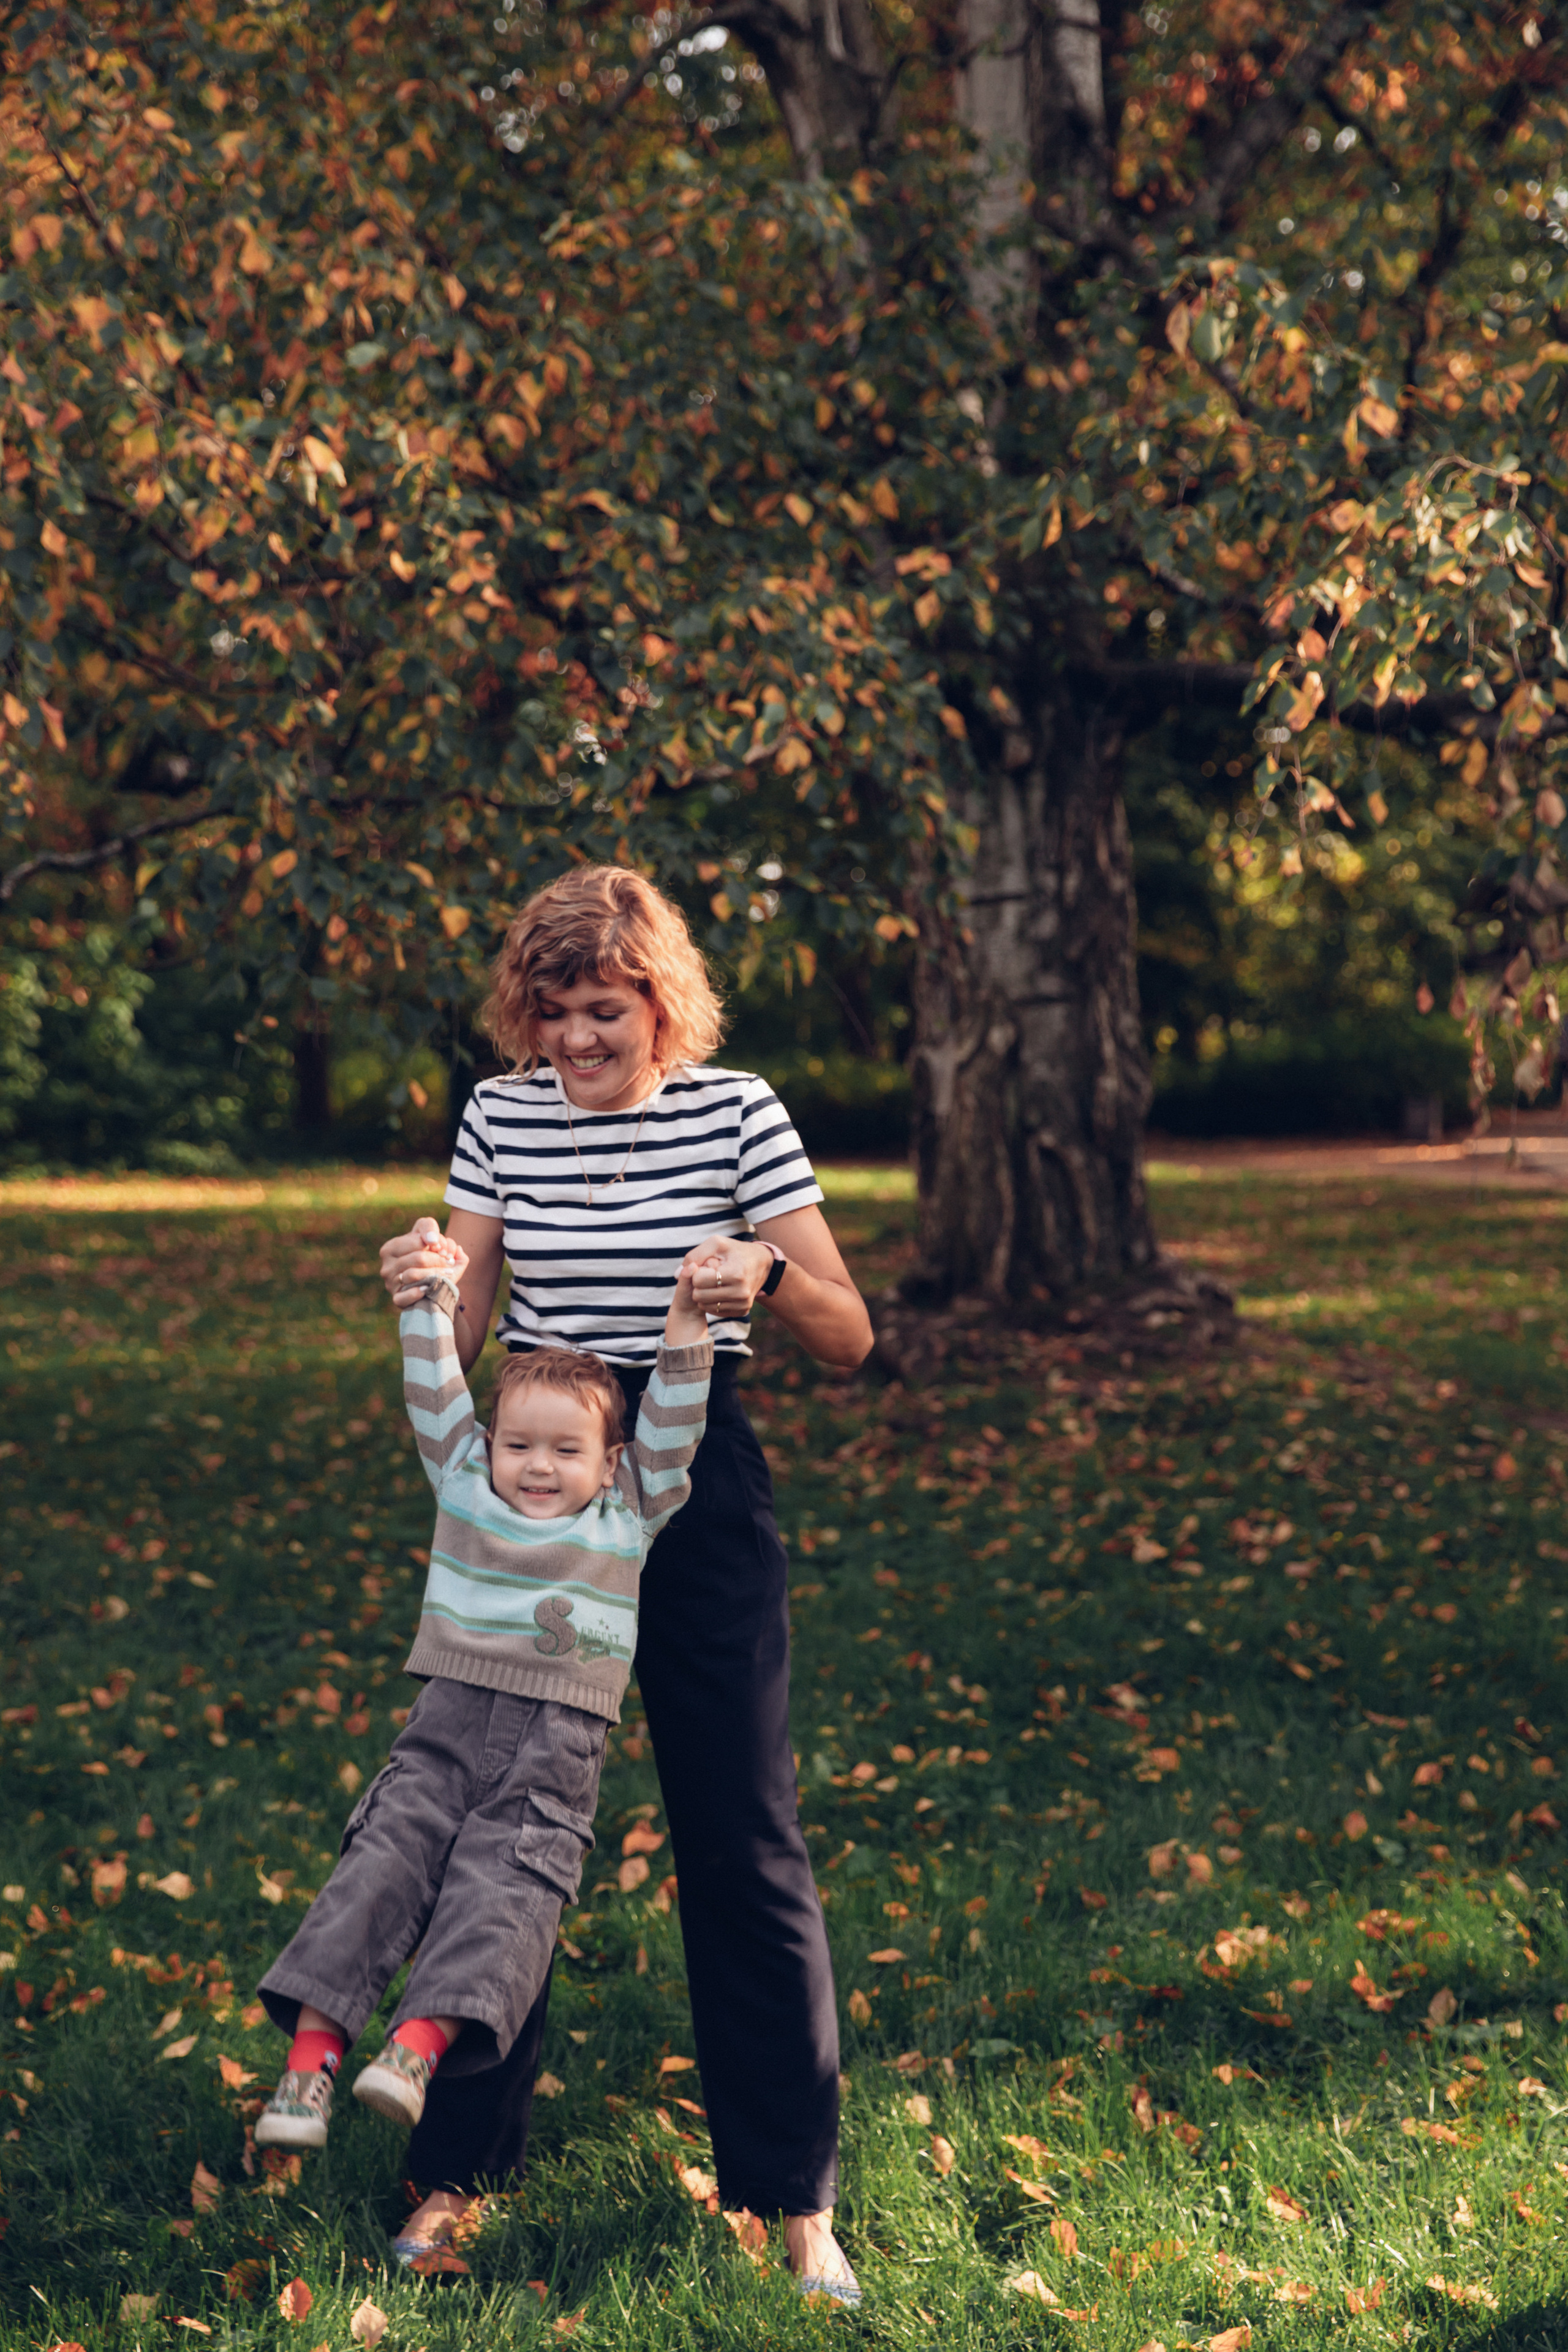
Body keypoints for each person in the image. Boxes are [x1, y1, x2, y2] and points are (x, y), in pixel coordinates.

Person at [376, 865, 873, 2304]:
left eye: (603, 1011)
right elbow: (464, 1326)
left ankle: (792, 2205)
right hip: (537, 1495)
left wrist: (764, 1278)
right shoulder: (498, 1114)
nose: (577, 1043)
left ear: (662, 1003)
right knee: (498, 1841)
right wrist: (424, 1279)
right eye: (551, 1016)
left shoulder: (736, 1113)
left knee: (740, 1836)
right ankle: (451, 2177)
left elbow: (847, 1333)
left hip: (693, 1483)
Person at [251, 1241, 713, 2164]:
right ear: (490, 1446)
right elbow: (434, 1395)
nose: (538, 1467)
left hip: (557, 1742)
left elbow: (675, 1418)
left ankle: (416, 2052)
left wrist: (693, 1322)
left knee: (509, 1889)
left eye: (565, 1450)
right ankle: (309, 2066)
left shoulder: (629, 1510)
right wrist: (430, 1293)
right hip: (449, 1720)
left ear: (611, 1458)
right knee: (383, 1860)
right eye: (519, 1445)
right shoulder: (465, 1482)